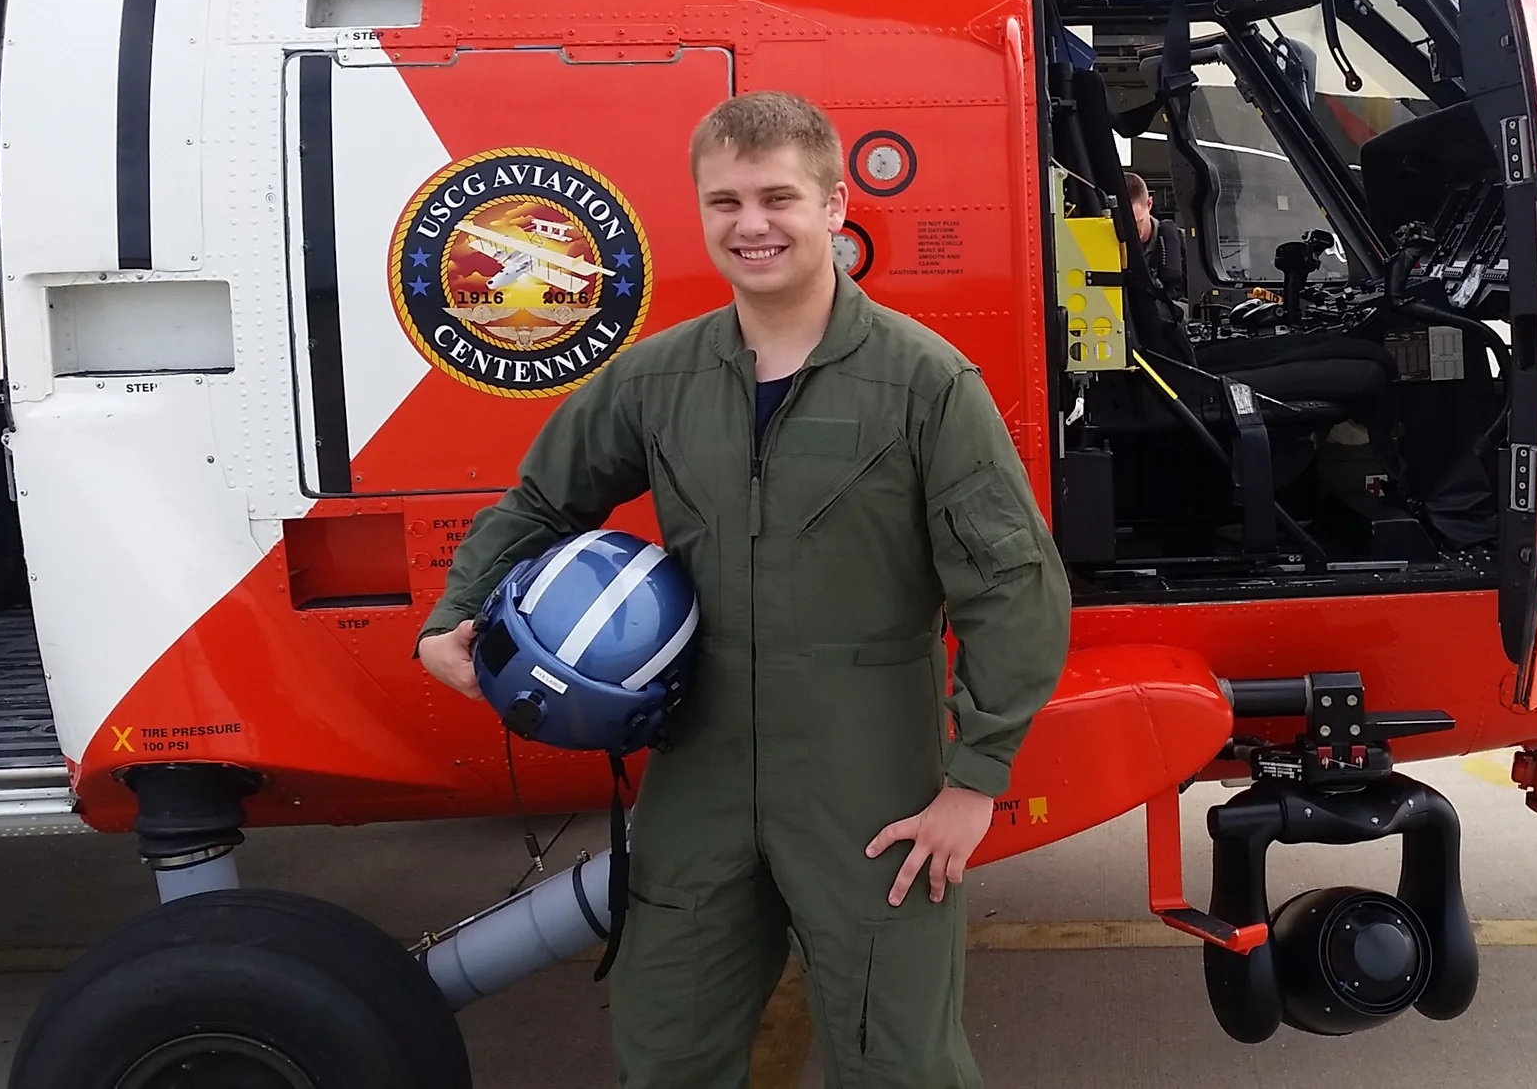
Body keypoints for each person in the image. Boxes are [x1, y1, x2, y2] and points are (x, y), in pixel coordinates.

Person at [417, 91, 1071, 1087]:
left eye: (777, 198)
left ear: (833, 204)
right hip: (698, 777)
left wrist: (975, 780)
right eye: (725, 201)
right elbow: (543, 498)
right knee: (666, 1049)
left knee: (901, 1060)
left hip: (868, 779)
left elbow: (1013, 586)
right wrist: (457, 614)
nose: (751, 224)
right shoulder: (657, 381)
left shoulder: (923, 383)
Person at [1124, 171, 1188, 301]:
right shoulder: (1106, 247)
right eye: (1124, 223)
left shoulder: (1183, 244)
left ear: (1149, 204)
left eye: (1137, 222)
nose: (1131, 231)